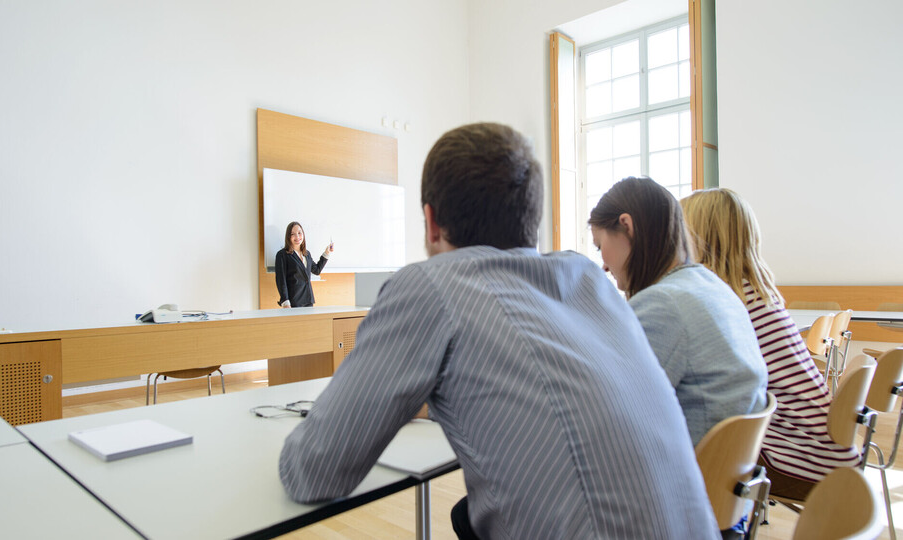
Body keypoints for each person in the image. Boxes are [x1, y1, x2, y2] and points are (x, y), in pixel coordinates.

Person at [279, 124, 719, 539]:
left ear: (431, 221)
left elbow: (313, 471)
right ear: (531, 221)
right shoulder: (589, 280)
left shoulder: (433, 285)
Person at [681, 188, 859, 499]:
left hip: (799, 457)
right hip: (827, 448)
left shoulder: (728, 303)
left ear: (700, 239)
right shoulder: (758, 294)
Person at [588, 177, 767, 447]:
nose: (603, 265)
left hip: (683, 477)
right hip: (726, 478)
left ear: (626, 225)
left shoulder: (662, 304)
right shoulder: (714, 287)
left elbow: (610, 414)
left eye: (600, 246)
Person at [274, 221, 333, 307]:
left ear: (303, 234)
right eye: (292, 234)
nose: (297, 237)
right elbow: (281, 280)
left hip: (308, 300)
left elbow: (317, 270)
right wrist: (285, 301)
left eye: (299, 233)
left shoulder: (306, 254)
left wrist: (327, 253)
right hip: (293, 302)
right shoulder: (282, 255)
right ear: (288, 237)